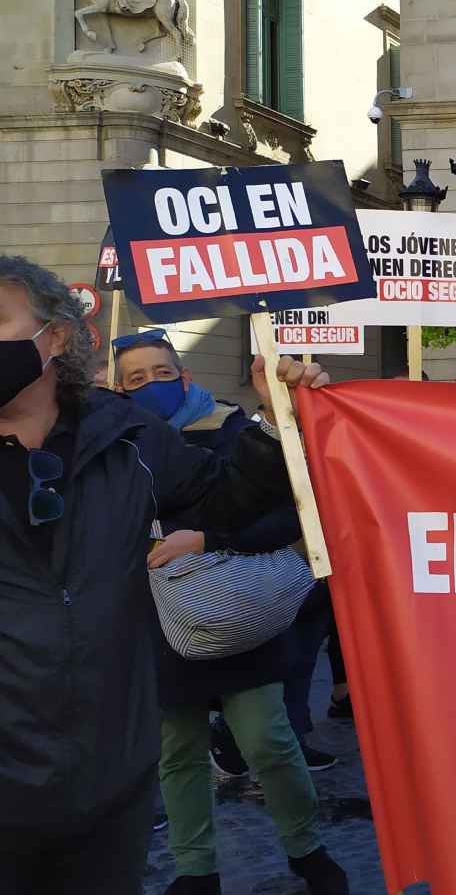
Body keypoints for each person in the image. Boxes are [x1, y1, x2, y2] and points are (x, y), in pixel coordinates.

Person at [0, 255, 330, 894]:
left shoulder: (126, 437)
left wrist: (271, 423)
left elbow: (227, 500)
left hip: (111, 763)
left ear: (55, 337)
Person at [113, 330, 346, 895]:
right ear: (117, 392)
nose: (152, 386)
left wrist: (207, 539)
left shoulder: (235, 430)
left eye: (162, 373)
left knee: (269, 741)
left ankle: (307, 848)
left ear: (186, 377)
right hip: (159, 625)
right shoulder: (116, 447)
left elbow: (288, 516)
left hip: (240, 613)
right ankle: (195, 870)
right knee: (177, 752)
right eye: (135, 379)